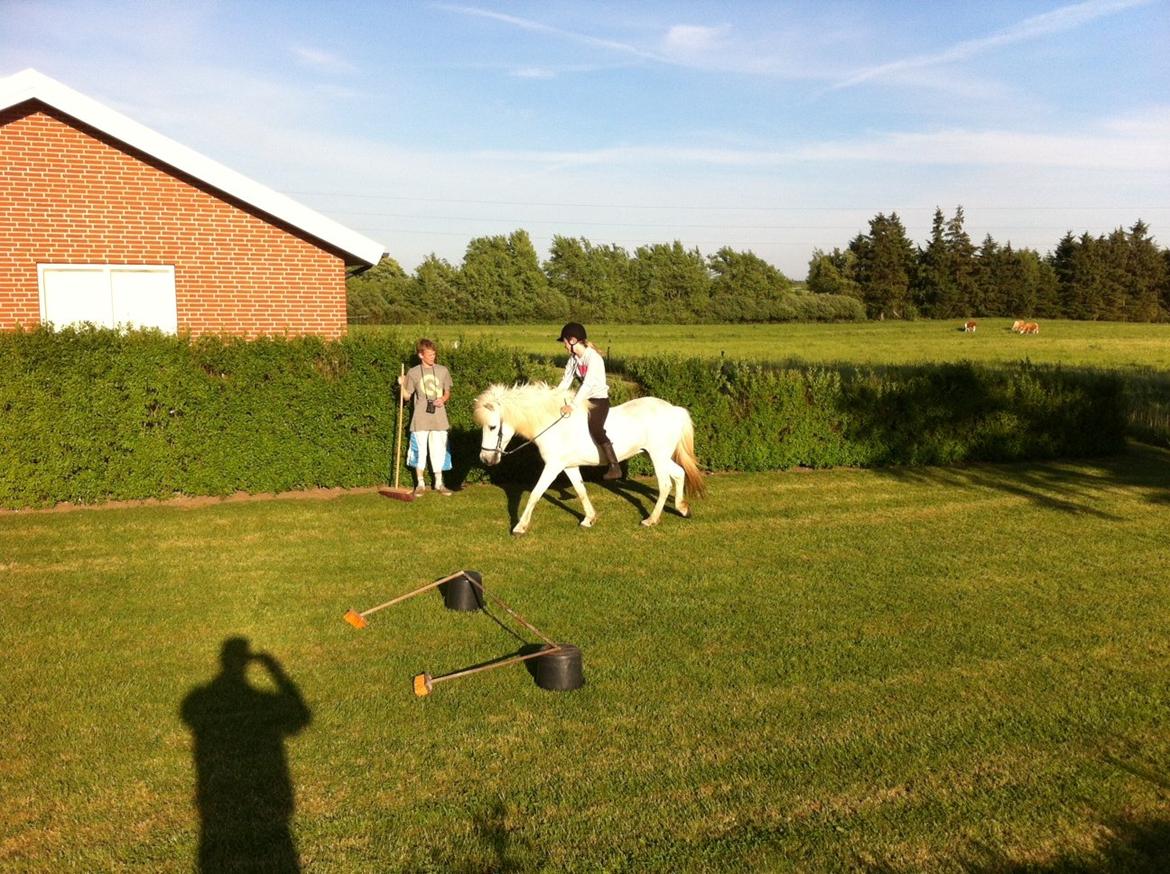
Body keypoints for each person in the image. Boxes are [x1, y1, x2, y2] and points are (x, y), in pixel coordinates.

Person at [556, 322, 621, 480]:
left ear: (572, 341)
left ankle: (614, 466)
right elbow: (566, 382)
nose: (564, 346)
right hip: (584, 399)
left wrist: (572, 405)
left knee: (596, 428)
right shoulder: (573, 360)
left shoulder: (593, 358)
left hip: (598, 399)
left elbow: (588, 385)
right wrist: (553, 397)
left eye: (564, 342)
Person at [399, 338, 453, 496]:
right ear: (420, 355)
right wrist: (401, 385)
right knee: (420, 451)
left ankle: (439, 483)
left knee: (439, 450)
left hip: (439, 419)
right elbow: (407, 397)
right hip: (420, 419)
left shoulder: (443, 370)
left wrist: (443, 399)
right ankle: (420, 484)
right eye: (429, 355)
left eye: (434, 354)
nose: (433, 357)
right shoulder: (413, 372)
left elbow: (447, 392)